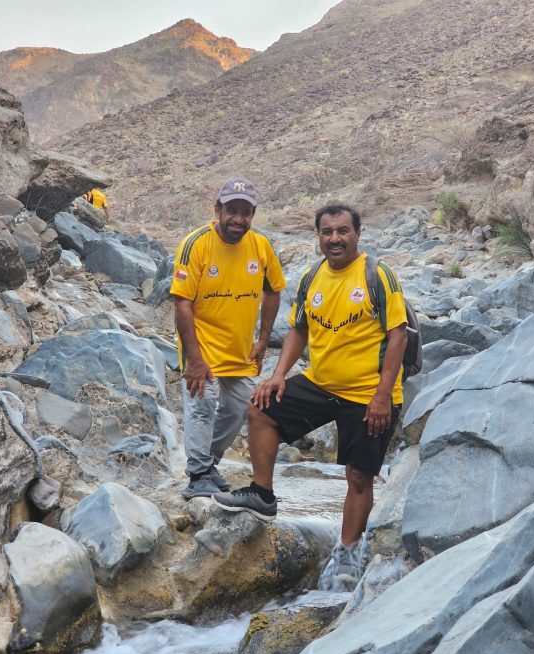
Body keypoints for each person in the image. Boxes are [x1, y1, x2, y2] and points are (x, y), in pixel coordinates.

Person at [213, 203, 408, 586]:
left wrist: (383, 395)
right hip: (322, 383)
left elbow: (398, 335)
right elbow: (299, 330)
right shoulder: (312, 276)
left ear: (357, 234)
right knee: (261, 408)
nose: (335, 238)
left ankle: (348, 552)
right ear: (318, 236)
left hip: (368, 393)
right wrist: (278, 375)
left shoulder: (377, 275)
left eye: (343, 231)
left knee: (358, 476)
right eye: (327, 232)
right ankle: (262, 494)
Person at [170, 178, 286, 499]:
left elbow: (274, 290)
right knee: (202, 404)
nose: (238, 218)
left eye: (245, 212)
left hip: (240, 349)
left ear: (253, 215)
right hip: (202, 346)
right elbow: (182, 303)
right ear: (218, 209)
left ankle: (208, 464)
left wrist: (263, 340)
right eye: (231, 210)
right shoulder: (196, 244)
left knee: (240, 409)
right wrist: (194, 359)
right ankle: (197, 475)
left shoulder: (260, 246)